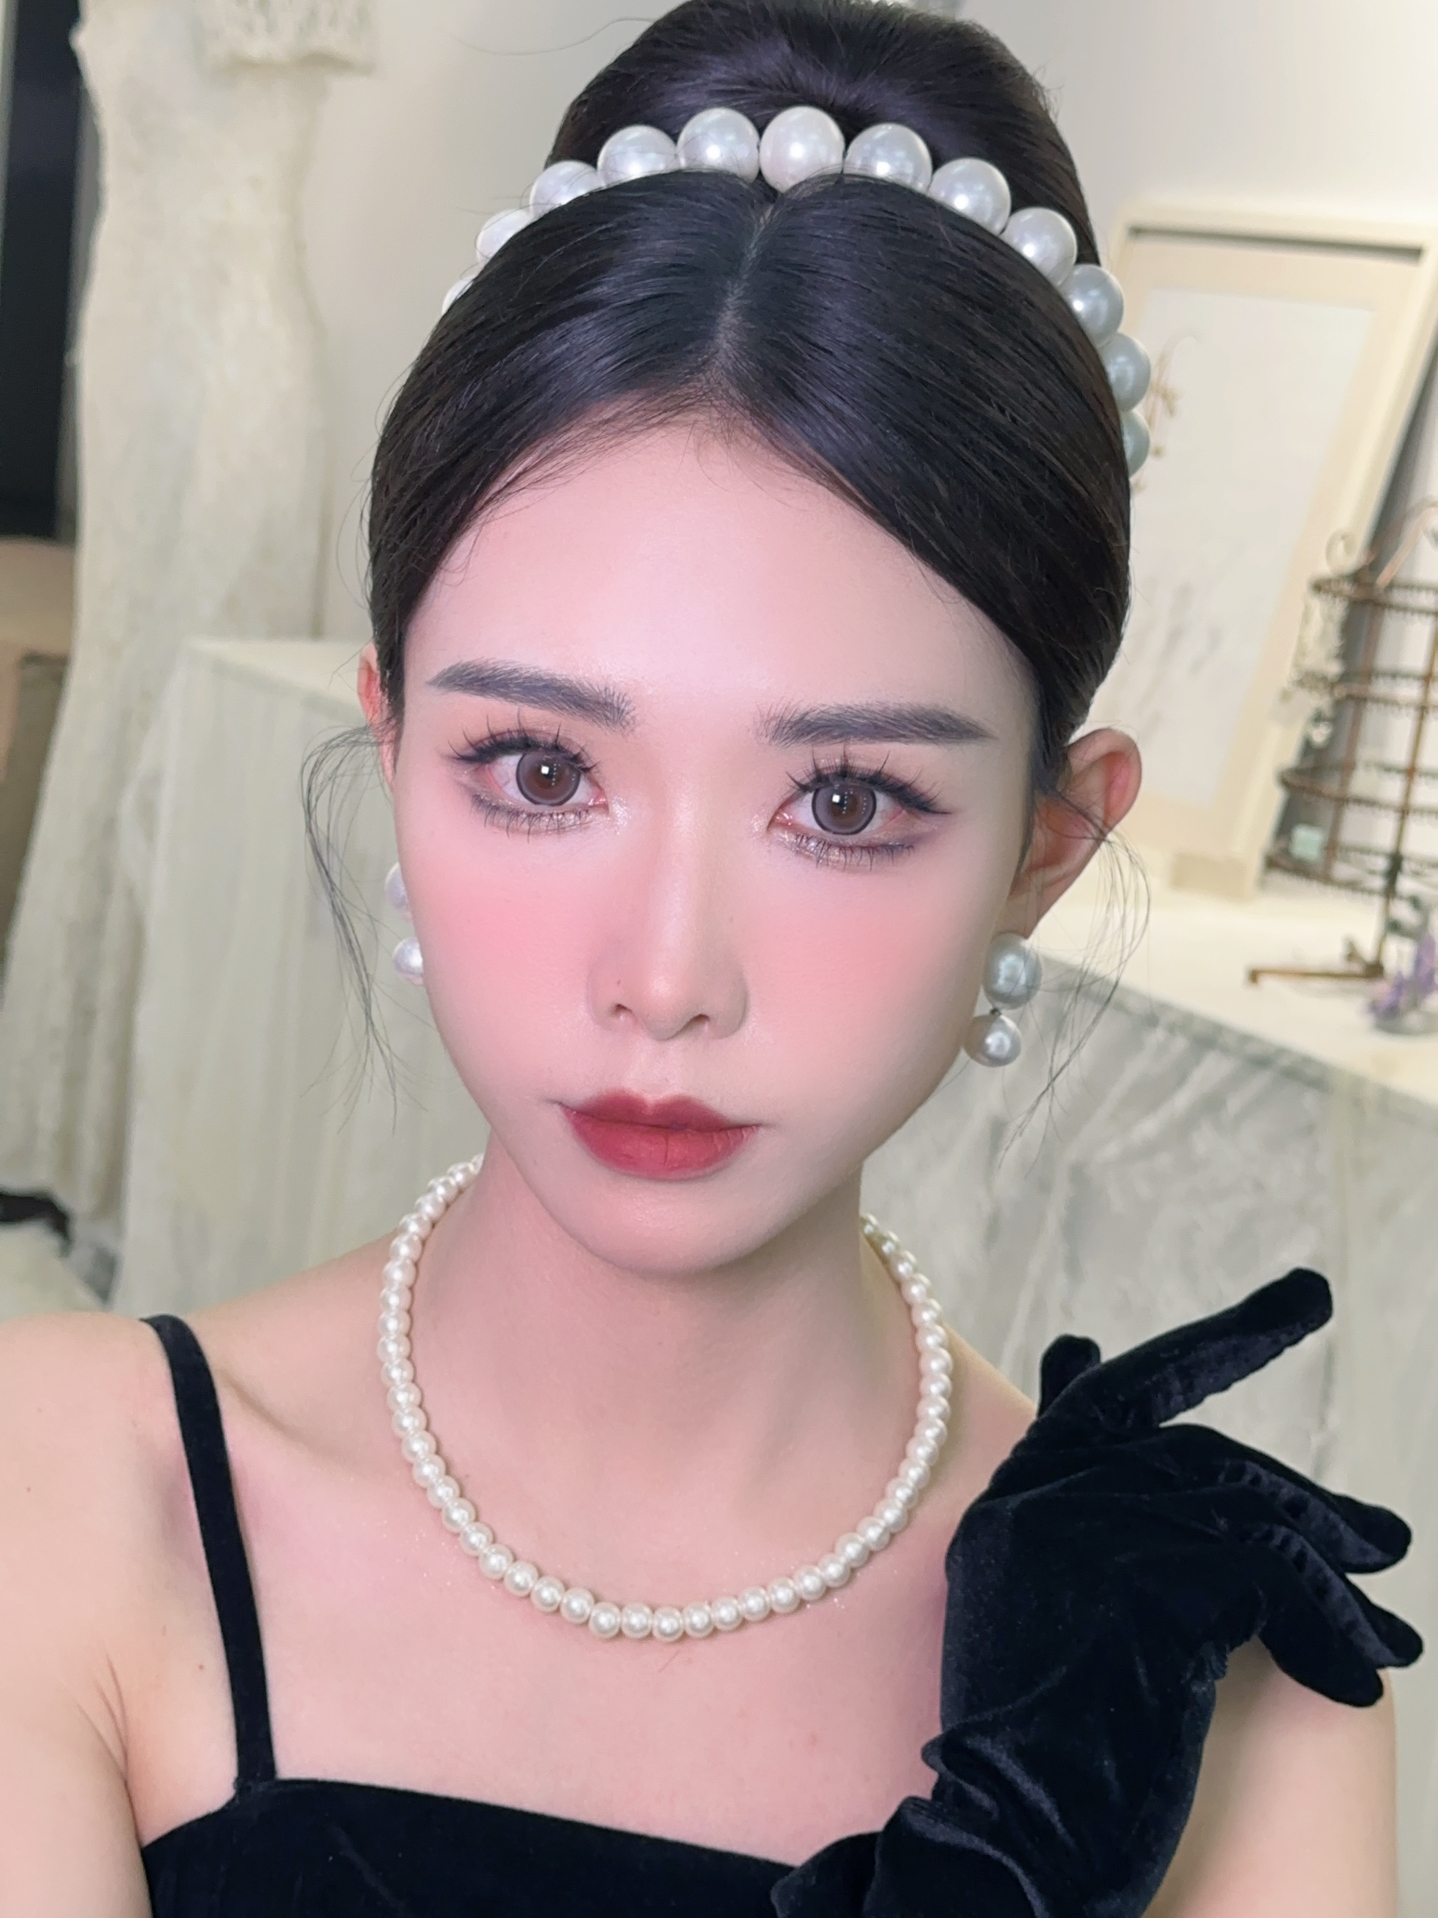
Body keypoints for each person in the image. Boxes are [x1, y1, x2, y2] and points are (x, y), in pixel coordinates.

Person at [0, 5, 1418, 1914]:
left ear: (1046, 848)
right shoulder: (58, 1490)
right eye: (539, 770)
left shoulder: (1220, 1685)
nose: (666, 974)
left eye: (843, 800)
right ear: (394, 750)